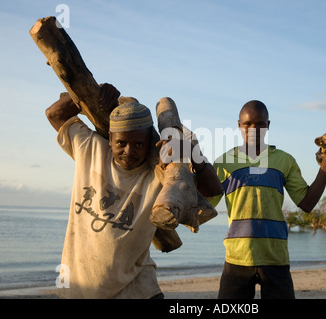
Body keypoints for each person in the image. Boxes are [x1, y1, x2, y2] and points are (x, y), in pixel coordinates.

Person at [46, 84, 222, 298]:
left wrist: (193, 155)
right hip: (76, 289)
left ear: (150, 143)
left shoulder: (160, 174)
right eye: (121, 142)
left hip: (138, 291)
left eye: (138, 144)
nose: (129, 151)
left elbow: (213, 191)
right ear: (110, 138)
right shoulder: (90, 150)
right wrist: (94, 90)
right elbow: (54, 113)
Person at [209, 100, 326, 299]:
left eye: (260, 124)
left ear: (268, 125)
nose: (254, 129)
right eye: (248, 124)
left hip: (275, 258)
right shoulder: (223, 163)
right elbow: (202, 206)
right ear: (239, 125)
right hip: (237, 258)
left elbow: (307, 203)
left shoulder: (284, 160)